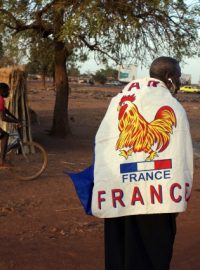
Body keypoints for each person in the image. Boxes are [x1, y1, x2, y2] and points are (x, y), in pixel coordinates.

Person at [68, 56, 193, 270]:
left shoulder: (118, 99)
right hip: (158, 199)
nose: (180, 82)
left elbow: (103, 142)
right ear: (169, 77)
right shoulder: (172, 105)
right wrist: (179, 188)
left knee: (121, 249)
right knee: (153, 252)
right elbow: (180, 157)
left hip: (121, 189)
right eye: (178, 76)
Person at [0, 83, 19, 167]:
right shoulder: (0, 100)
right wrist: (15, 121)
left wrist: (15, 118)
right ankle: (2, 161)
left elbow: (5, 111)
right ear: (1, 91)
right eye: (7, 90)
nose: (8, 92)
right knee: (5, 135)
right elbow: (3, 117)